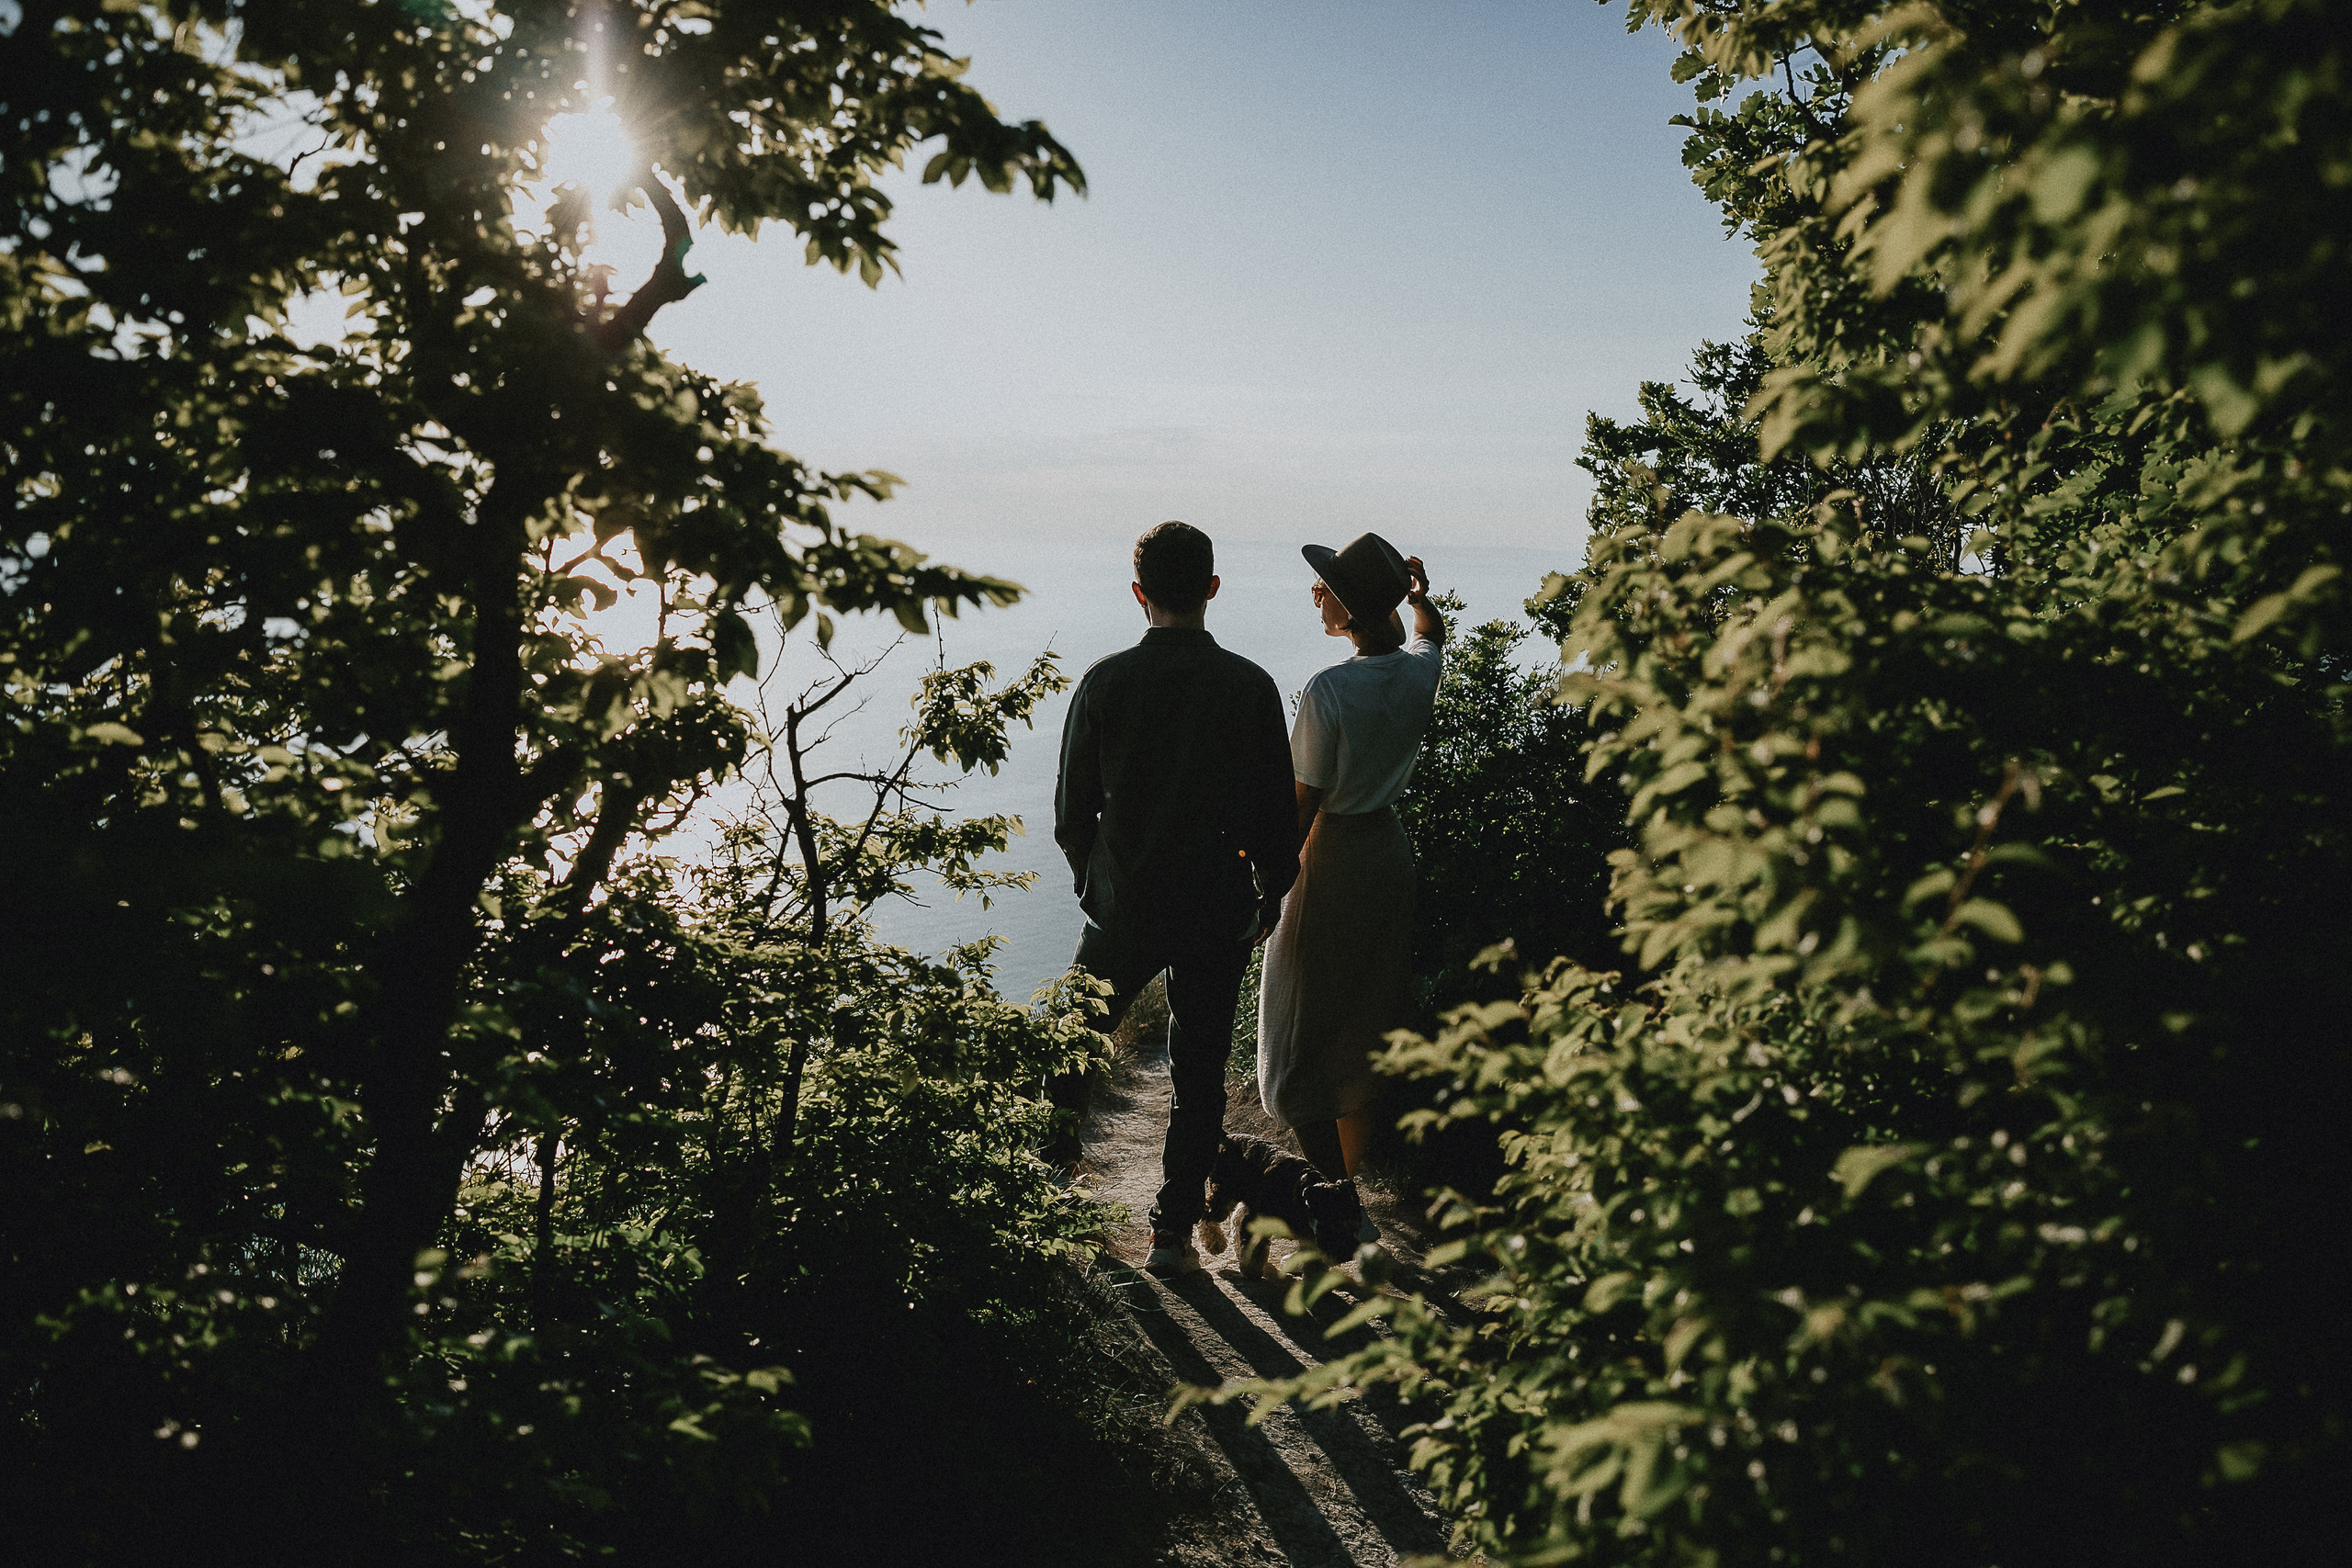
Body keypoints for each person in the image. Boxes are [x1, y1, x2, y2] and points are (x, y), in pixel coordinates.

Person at [1054, 521, 1302, 1276]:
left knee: (1069, 1045)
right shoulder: (1250, 686)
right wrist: (1267, 895)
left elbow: (1072, 813)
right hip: (1213, 908)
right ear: (1213, 589)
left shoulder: (1104, 682)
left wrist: (1098, 887)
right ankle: (1170, 1234)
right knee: (1197, 1073)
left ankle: (1050, 1191)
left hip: (1123, 908)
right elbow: (1274, 819)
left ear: (1139, 593)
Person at [1258, 531, 1443, 1230]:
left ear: (1350, 609)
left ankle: (1336, 1201)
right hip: (1387, 854)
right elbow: (1431, 632)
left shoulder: (1329, 690)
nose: (1315, 592)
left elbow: (1302, 804)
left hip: (1330, 858)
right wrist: (1421, 600)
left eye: (1324, 587)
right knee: (1365, 1025)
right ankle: (1352, 1185)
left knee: (1298, 1037)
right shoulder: (1418, 669)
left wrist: (1268, 895)